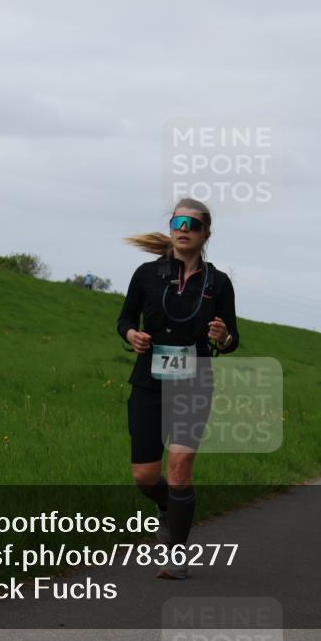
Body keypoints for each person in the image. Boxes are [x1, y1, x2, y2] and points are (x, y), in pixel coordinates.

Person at [116, 198, 240, 580]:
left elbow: (233, 338)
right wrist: (131, 335)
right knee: (144, 476)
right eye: (178, 221)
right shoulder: (146, 274)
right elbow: (123, 319)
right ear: (171, 228)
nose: (184, 228)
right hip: (149, 382)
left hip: (194, 383)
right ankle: (168, 508)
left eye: (193, 223)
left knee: (180, 468)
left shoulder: (218, 283)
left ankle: (176, 554)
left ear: (206, 234)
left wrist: (223, 337)